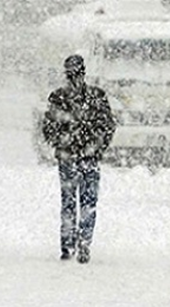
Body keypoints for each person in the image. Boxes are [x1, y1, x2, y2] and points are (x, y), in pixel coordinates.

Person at [43, 55, 116, 264]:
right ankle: (83, 242)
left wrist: (63, 143)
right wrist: (96, 147)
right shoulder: (96, 96)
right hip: (87, 157)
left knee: (70, 201)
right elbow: (108, 126)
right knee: (87, 201)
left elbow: (48, 128)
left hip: (71, 157)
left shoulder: (58, 98)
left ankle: (70, 244)